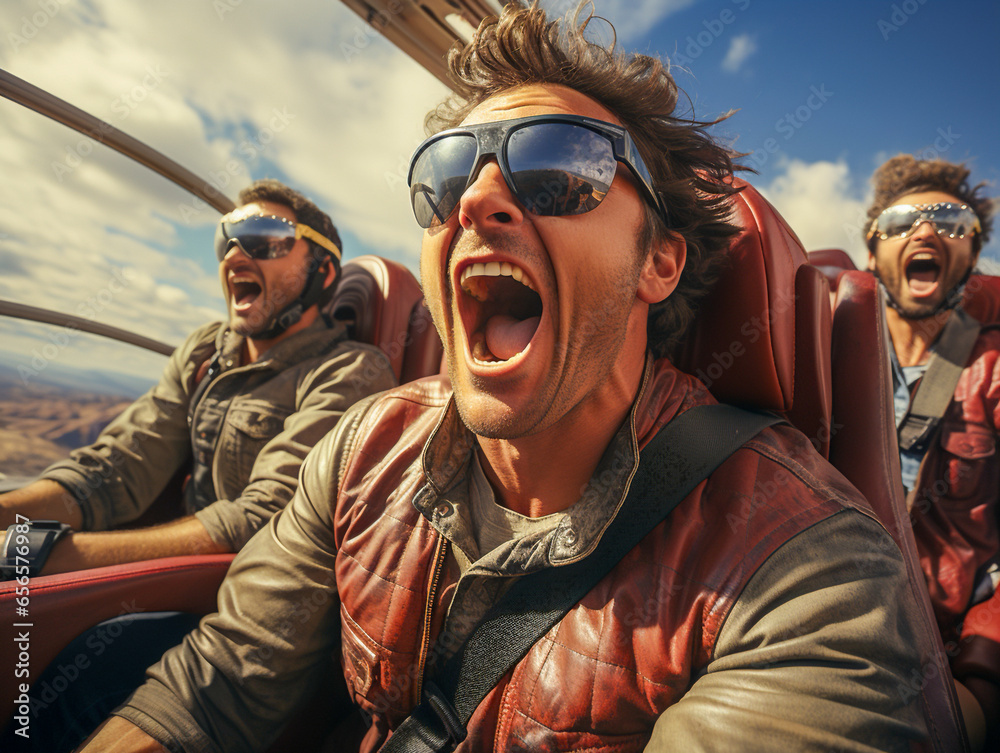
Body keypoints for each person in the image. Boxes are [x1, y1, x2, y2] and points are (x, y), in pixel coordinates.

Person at [82, 5, 929, 751]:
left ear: (660, 261)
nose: (476, 199)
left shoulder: (807, 571)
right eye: (449, 172)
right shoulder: (366, 448)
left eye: (561, 168)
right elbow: (214, 692)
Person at [0, 178, 396, 575]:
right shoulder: (205, 351)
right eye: (227, 240)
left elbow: (264, 521)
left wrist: (32, 556)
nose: (234, 257)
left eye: (264, 238)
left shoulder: (351, 374)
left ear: (322, 272)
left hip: (229, 590)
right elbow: (118, 468)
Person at [863, 154, 999, 750]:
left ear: (972, 255)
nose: (924, 231)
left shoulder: (992, 369)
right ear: (873, 254)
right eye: (901, 222)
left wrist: (980, 682)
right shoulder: (813, 348)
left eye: (951, 222)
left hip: (944, 658)